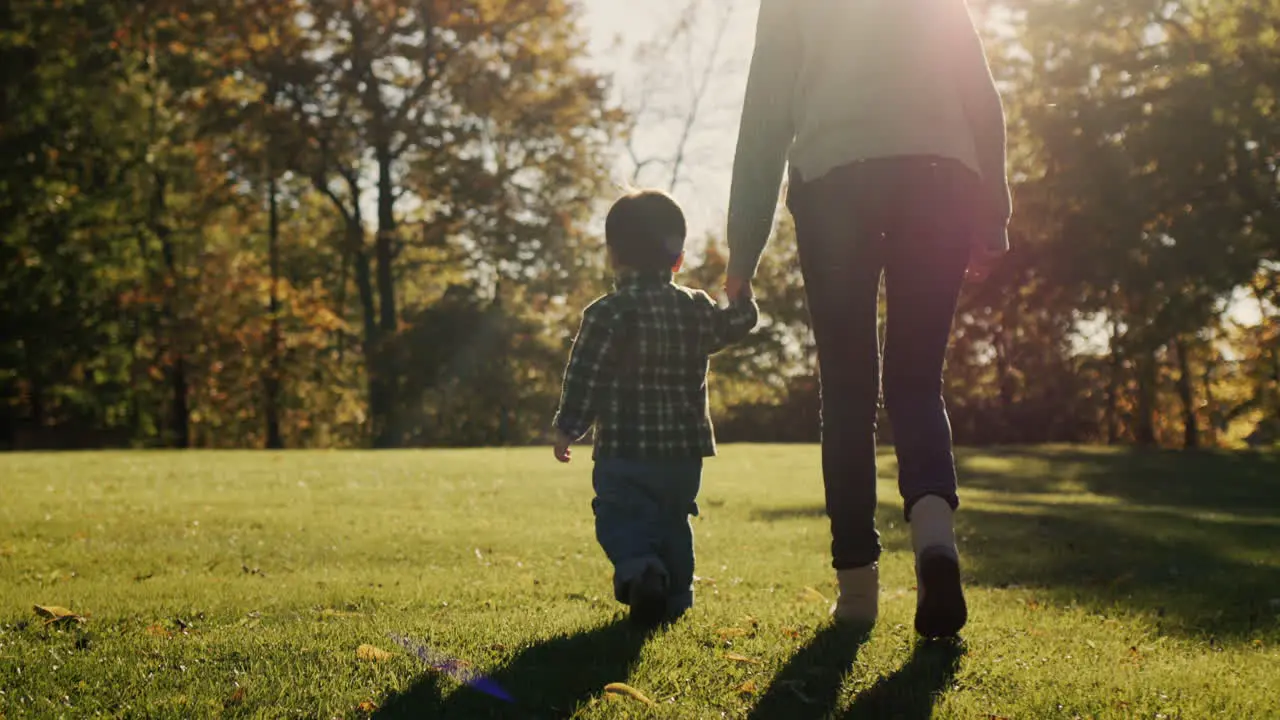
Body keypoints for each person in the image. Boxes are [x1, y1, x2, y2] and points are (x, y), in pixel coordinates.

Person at [724, 0, 1012, 638]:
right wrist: (994, 212)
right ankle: (935, 538)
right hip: (942, 180)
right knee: (916, 379)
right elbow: (979, 90)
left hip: (835, 183)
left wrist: (743, 252)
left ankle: (857, 591)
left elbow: (765, 116)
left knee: (848, 393)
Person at [552, 189, 760, 627]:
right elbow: (735, 325)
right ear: (678, 260)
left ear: (612, 257)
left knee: (617, 512)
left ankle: (642, 571)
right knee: (672, 521)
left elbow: (585, 375)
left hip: (625, 450)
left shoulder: (607, 313)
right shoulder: (697, 308)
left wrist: (569, 427)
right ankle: (677, 598)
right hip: (684, 454)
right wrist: (740, 295)